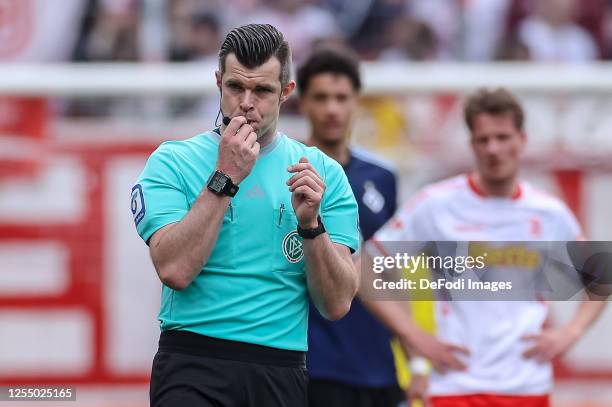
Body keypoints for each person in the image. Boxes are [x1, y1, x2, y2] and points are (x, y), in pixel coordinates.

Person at [131, 24, 360, 407]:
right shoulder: (172, 161)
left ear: (286, 92)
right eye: (236, 87)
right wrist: (225, 177)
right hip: (193, 359)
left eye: (263, 90)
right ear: (218, 82)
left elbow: (336, 304)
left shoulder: (322, 173)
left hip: (280, 366)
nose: (247, 102)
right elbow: (174, 269)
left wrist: (311, 227)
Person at [365, 88, 607, 406]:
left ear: (521, 140)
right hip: (455, 383)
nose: (493, 149)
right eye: (484, 139)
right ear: (472, 144)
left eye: (503, 137)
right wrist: (414, 336)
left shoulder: (548, 212)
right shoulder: (437, 204)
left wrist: (570, 333)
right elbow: (366, 266)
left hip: (525, 385)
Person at [296, 47, 405, 406]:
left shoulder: (383, 177)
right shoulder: (287, 170)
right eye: (321, 98)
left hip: (377, 366)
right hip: (313, 366)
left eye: (341, 98)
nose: (332, 109)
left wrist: (414, 359)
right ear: (302, 102)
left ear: (357, 102)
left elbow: (390, 270)